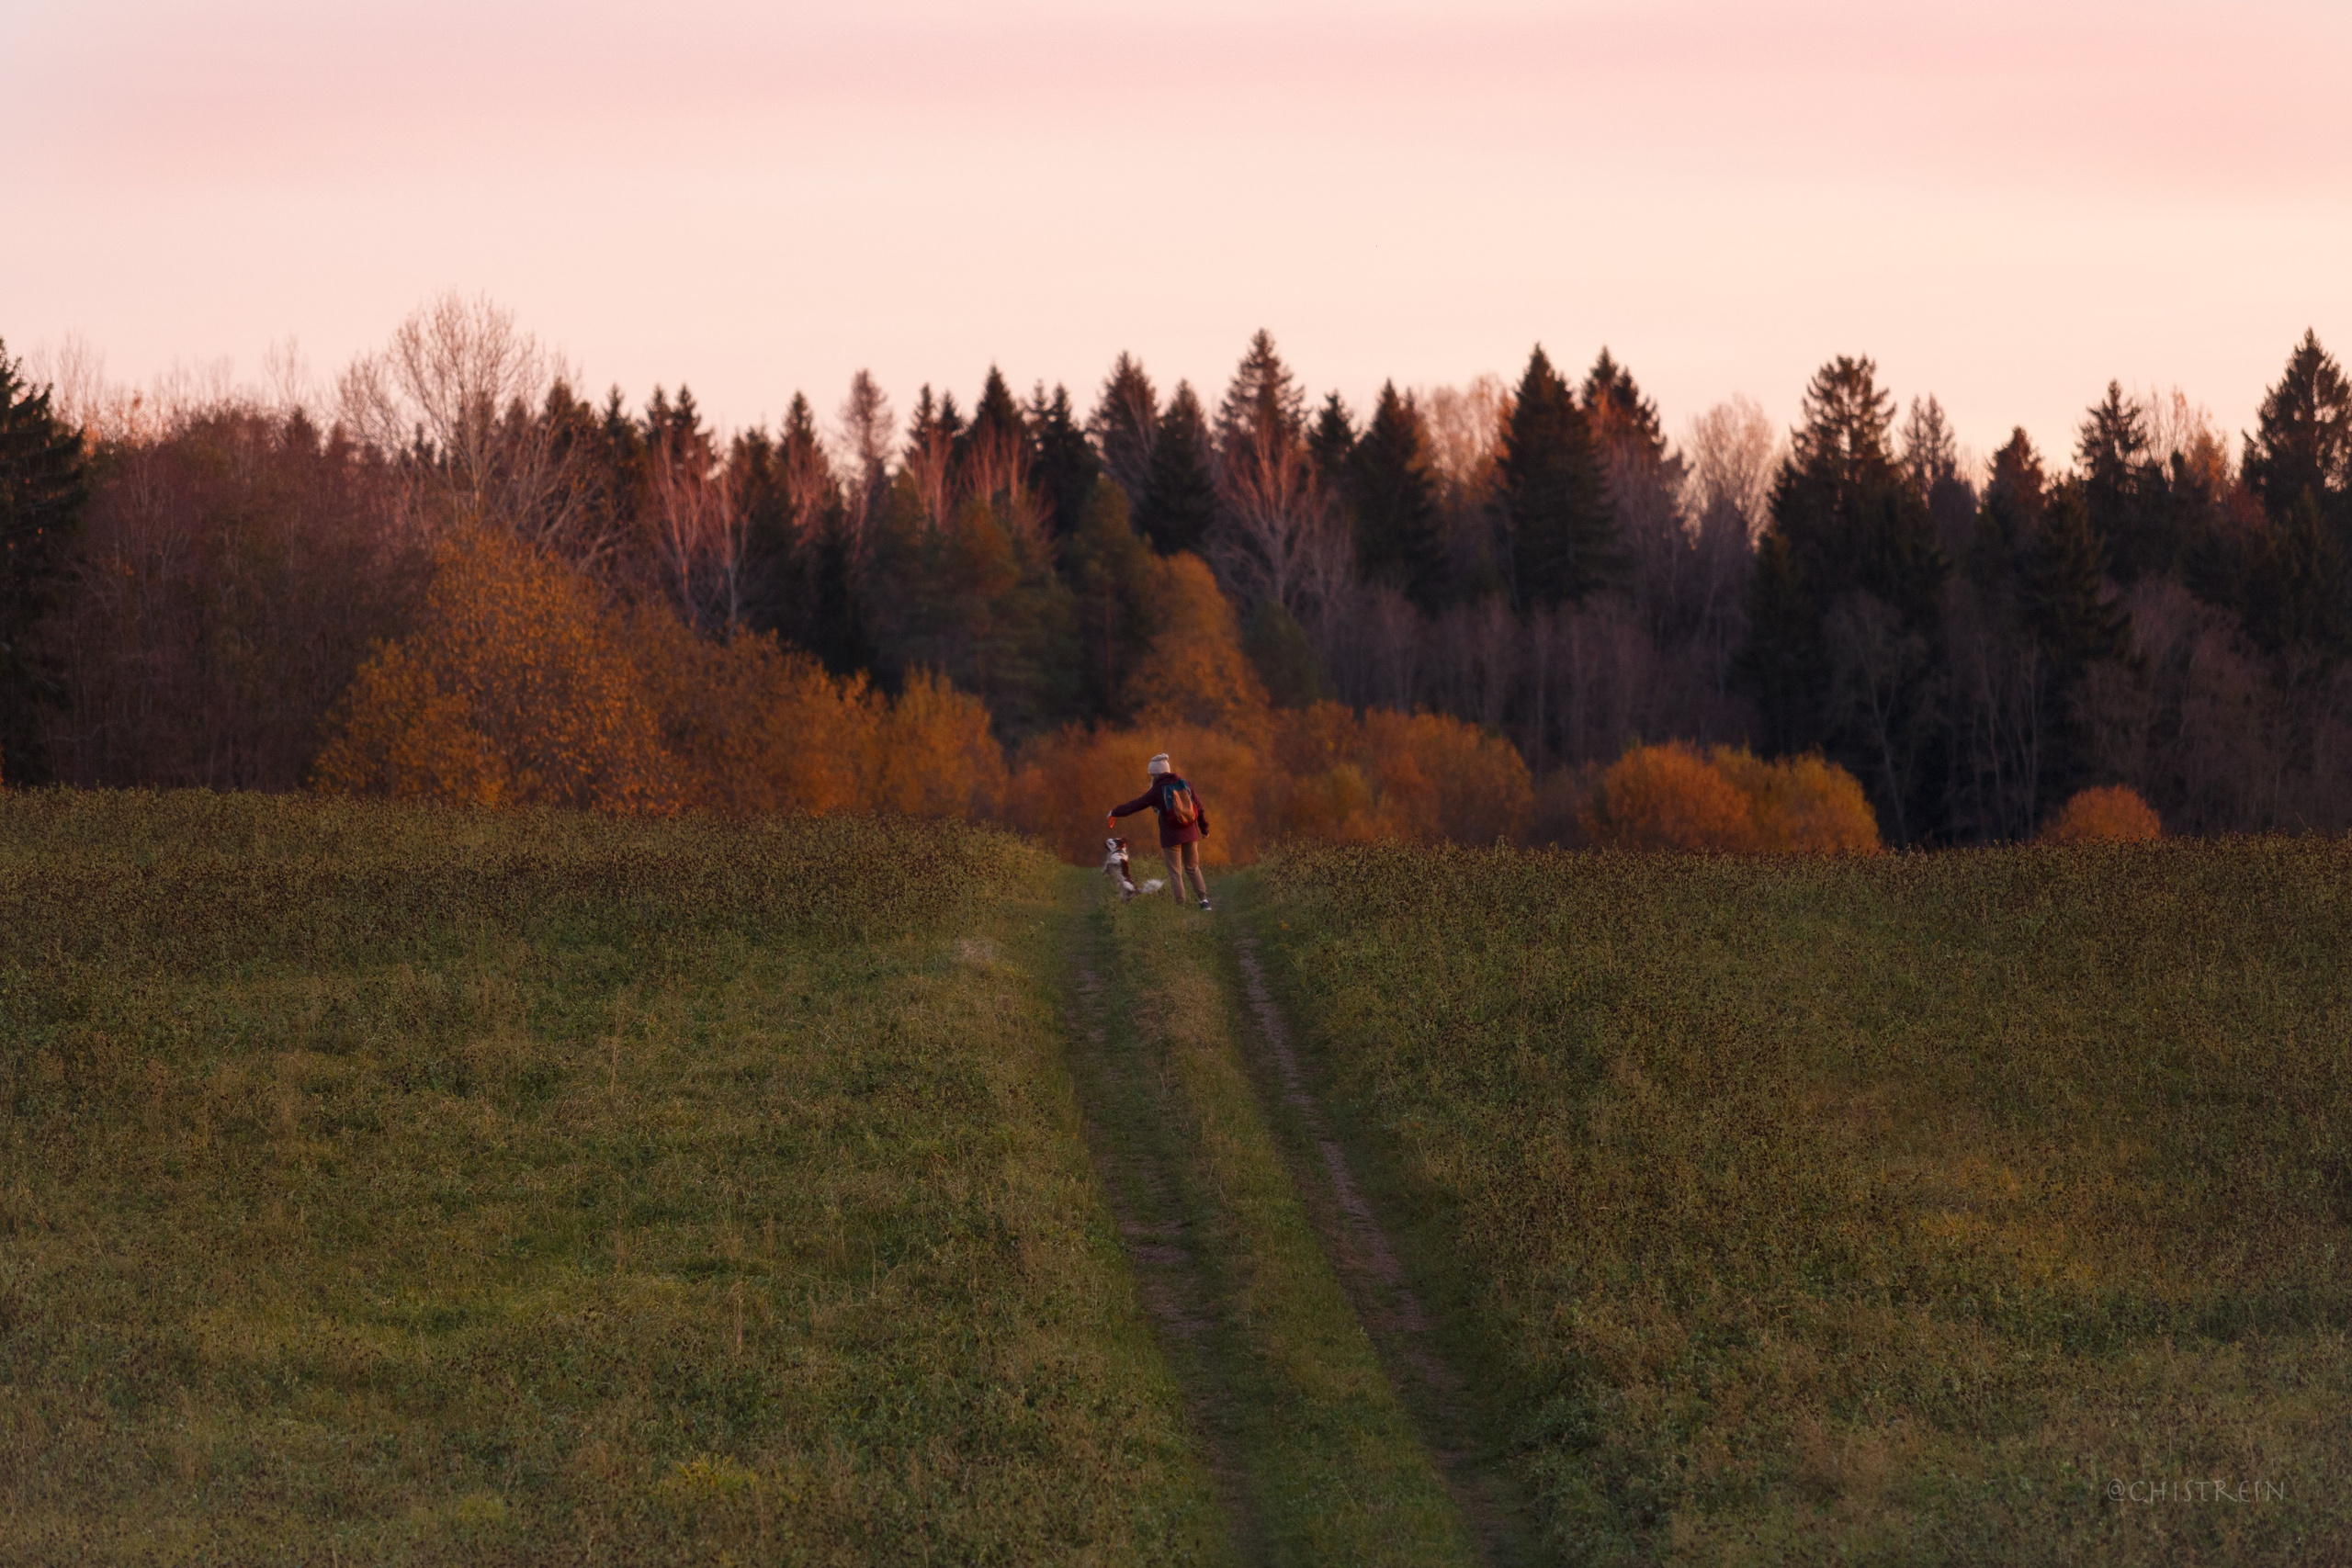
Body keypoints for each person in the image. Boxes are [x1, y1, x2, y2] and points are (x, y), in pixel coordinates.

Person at [1108, 753, 1212, 910]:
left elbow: (1137, 804)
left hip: (1170, 837)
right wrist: (1204, 829)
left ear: (1155, 774)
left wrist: (1115, 812)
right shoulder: (1185, 784)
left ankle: (1180, 906)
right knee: (1193, 868)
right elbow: (1199, 807)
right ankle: (1204, 902)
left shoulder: (1157, 790)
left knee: (1175, 872)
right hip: (1191, 833)